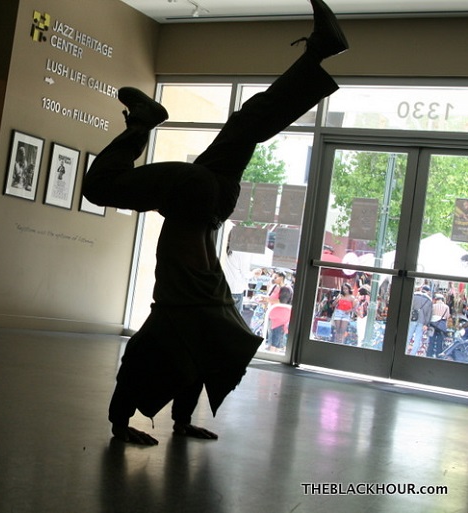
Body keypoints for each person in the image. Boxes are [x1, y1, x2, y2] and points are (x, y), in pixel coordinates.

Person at [82, 0, 348, 445]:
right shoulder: (181, 313)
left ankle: (317, 54)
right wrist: (124, 422)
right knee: (100, 187)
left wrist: (137, 423)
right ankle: (144, 124)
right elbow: (161, 366)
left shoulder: (211, 307)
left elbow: (186, 367)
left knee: (247, 124)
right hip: (194, 196)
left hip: (215, 198)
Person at [263, 271, 292, 352]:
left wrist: (267, 299)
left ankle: (274, 353)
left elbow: (282, 301)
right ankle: (272, 352)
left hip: (281, 318)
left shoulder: (286, 289)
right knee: (272, 336)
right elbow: (270, 297)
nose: (273, 279)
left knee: (276, 338)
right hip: (272, 315)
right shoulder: (275, 287)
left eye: (275, 277)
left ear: (281, 278)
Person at [407, 284, 432, 356]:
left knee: (408, 336)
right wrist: (426, 324)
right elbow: (429, 314)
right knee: (417, 339)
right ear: (428, 291)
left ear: (421, 289)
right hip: (422, 321)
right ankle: (412, 354)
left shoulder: (414, 295)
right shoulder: (429, 300)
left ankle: (404, 351)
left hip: (412, 319)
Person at [427, 293, 451, 358]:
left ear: (436, 299)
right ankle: (438, 353)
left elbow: (429, 315)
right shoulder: (446, 307)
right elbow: (447, 317)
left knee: (431, 340)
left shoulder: (433, 306)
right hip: (441, 325)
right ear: (442, 300)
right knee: (440, 340)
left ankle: (429, 353)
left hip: (432, 324)